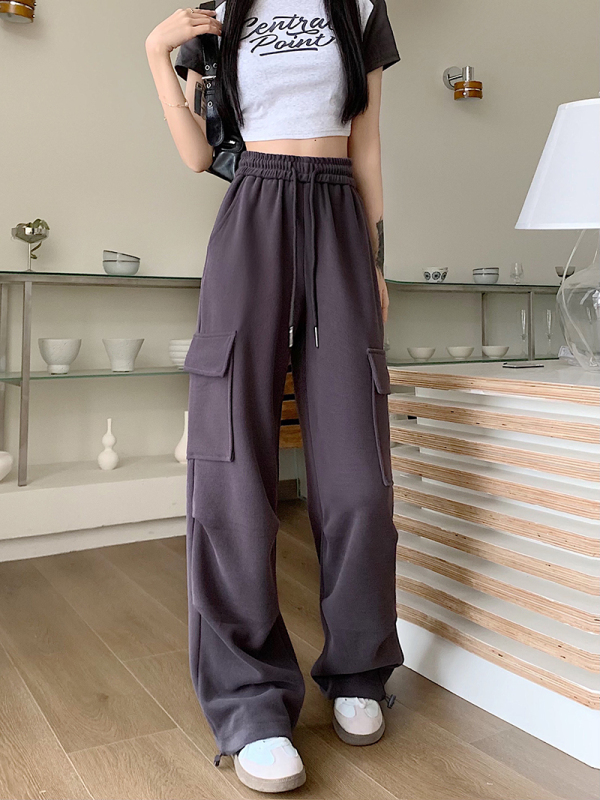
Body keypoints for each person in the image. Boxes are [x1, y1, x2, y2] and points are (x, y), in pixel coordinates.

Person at [145, 1, 404, 792]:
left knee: (359, 473)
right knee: (230, 470)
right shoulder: (221, 11)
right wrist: (156, 53)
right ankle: (249, 702)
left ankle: (358, 668)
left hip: (338, 217)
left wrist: (376, 257)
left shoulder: (361, 7)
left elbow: (367, 142)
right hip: (253, 208)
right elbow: (199, 155)